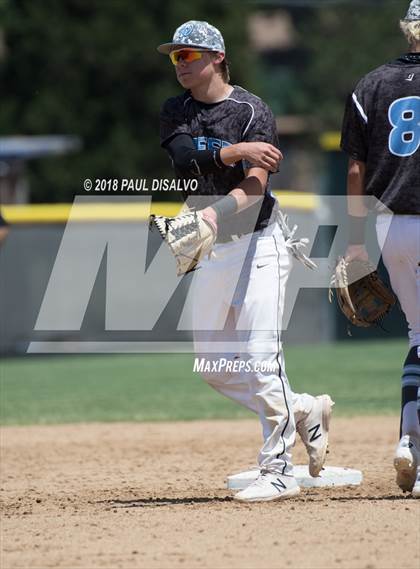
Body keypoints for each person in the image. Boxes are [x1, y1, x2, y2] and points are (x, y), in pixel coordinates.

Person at [157, 20, 334, 502]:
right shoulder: (176, 109)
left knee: (260, 357)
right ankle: (301, 409)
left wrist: (214, 211)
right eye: (175, 56)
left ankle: (277, 468)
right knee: (212, 365)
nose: (180, 64)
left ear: (217, 56)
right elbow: (183, 156)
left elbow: (256, 185)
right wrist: (234, 151)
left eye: (188, 55)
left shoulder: (252, 109)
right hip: (215, 249)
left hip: (260, 243)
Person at [341, 0, 420, 498]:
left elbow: (355, 170)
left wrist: (353, 244)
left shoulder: (370, 85)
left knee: (418, 333)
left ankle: (409, 436)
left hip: (393, 229)